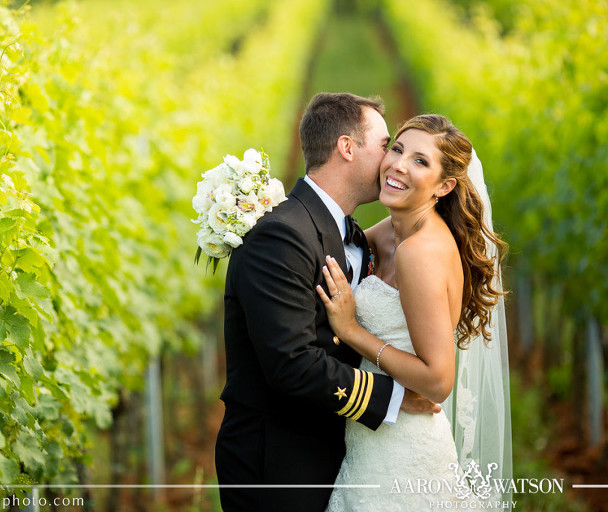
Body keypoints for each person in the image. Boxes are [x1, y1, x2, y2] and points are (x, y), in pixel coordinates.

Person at [214, 93, 441, 512]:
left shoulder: (346, 231)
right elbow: (292, 364)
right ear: (347, 148)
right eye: (387, 145)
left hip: (333, 453)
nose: (393, 161)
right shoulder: (280, 236)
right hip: (279, 466)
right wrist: (395, 398)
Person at [317, 114, 509, 510]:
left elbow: (437, 382)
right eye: (398, 149)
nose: (399, 165)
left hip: (403, 454)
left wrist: (353, 332)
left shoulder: (420, 253)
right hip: (370, 440)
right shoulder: (390, 231)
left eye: (421, 161)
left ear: (444, 185)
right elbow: (322, 246)